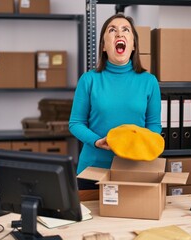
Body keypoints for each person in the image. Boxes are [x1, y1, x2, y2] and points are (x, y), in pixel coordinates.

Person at [69, 13, 162, 189]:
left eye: (125, 30)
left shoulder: (149, 81)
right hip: (92, 170)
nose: (119, 34)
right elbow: (76, 123)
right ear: (104, 46)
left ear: (133, 44)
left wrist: (142, 145)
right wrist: (97, 141)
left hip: (134, 169)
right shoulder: (89, 80)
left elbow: (154, 125)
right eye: (112, 30)